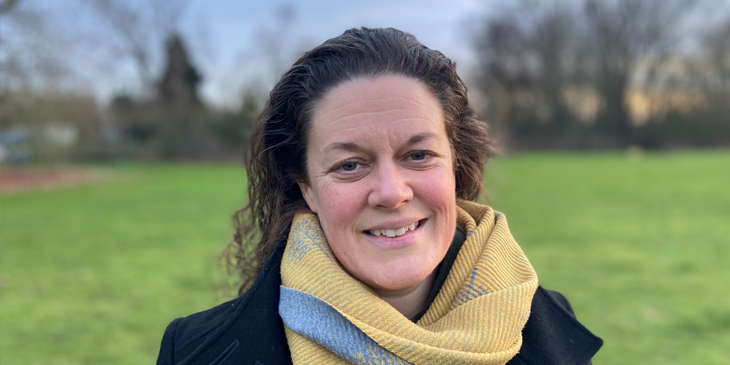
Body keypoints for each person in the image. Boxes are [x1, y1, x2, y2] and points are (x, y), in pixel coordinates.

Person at [157, 27, 602, 364]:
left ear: (455, 166)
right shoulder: (193, 352)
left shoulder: (543, 322)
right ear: (306, 187)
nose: (391, 192)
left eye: (419, 155)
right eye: (349, 165)